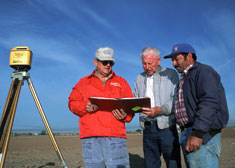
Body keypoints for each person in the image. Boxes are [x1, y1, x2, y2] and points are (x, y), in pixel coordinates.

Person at [164, 43, 229, 168]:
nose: (173, 63)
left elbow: (209, 102)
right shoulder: (184, 78)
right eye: (172, 60)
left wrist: (198, 133)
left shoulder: (203, 72)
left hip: (202, 134)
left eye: (176, 59)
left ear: (189, 56)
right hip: (188, 132)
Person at [68, 47, 134, 168]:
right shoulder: (83, 83)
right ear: (95, 62)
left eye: (111, 62)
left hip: (115, 136)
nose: (108, 65)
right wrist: (84, 106)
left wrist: (127, 115)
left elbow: (132, 106)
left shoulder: (122, 82)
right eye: (104, 62)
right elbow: (72, 103)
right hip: (90, 137)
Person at [134, 47, 181, 168]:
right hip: (147, 128)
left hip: (167, 128)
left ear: (158, 60)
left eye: (150, 63)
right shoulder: (139, 78)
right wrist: (132, 107)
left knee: (173, 164)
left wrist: (159, 110)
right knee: (151, 165)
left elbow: (176, 99)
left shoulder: (170, 74)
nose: (147, 67)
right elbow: (135, 101)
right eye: (144, 63)